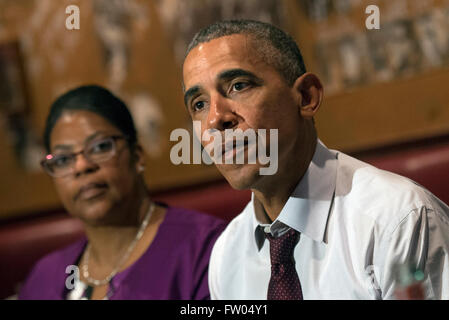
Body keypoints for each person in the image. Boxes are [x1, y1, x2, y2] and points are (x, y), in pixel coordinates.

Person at [181, 19, 449, 299]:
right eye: (199, 104)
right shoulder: (227, 254)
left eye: (238, 86)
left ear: (307, 97)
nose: (214, 119)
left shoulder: (397, 220)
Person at [19, 85, 226, 300]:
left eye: (100, 147)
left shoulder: (205, 248)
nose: (81, 167)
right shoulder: (45, 276)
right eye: (63, 160)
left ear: (137, 156)